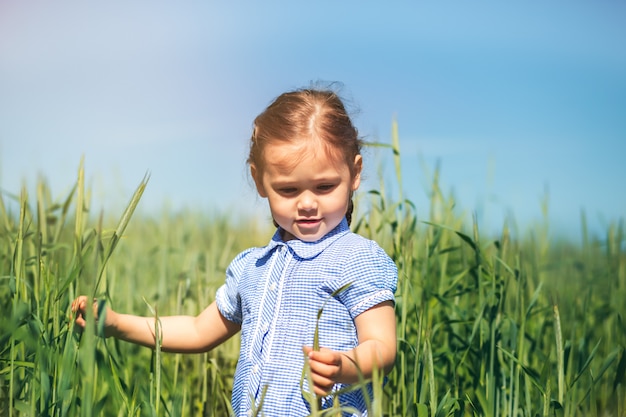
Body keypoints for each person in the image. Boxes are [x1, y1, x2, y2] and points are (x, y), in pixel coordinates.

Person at [72, 87, 398, 416]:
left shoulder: (357, 258)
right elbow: (199, 331)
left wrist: (344, 365)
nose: (308, 203)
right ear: (260, 182)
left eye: (325, 186)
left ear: (354, 173)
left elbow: (383, 348)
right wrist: (116, 324)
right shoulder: (251, 268)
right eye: (288, 190)